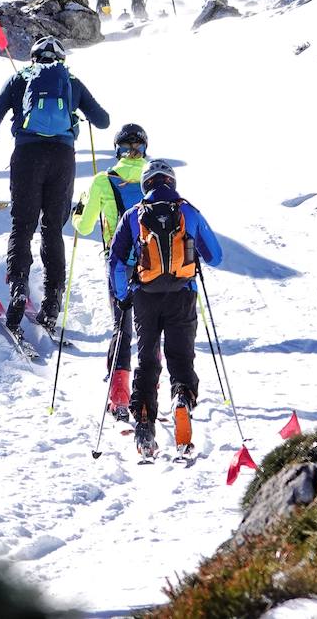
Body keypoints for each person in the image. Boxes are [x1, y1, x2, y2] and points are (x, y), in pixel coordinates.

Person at [0, 35, 110, 337]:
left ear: (33, 58)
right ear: (61, 59)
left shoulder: (19, 79)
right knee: (52, 229)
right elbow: (103, 120)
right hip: (62, 157)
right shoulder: (71, 81)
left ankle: (19, 287)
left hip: (27, 155)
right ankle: (53, 300)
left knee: (22, 225)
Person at [108, 159, 223, 459]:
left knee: (147, 361)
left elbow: (116, 261)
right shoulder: (189, 211)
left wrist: (123, 296)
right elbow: (216, 256)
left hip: (145, 297)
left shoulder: (134, 215)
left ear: (146, 184)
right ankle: (182, 398)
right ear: (172, 183)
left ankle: (145, 425)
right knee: (181, 358)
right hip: (182, 294)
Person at [71, 122, 149, 421]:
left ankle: (119, 396)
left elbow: (84, 226)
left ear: (118, 149)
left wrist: (78, 210)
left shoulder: (103, 181)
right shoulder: (154, 178)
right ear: (143, 148)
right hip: (152, 263)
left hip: (118, 262)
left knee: (122, 326)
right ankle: (148, 395)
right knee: (150, 329)